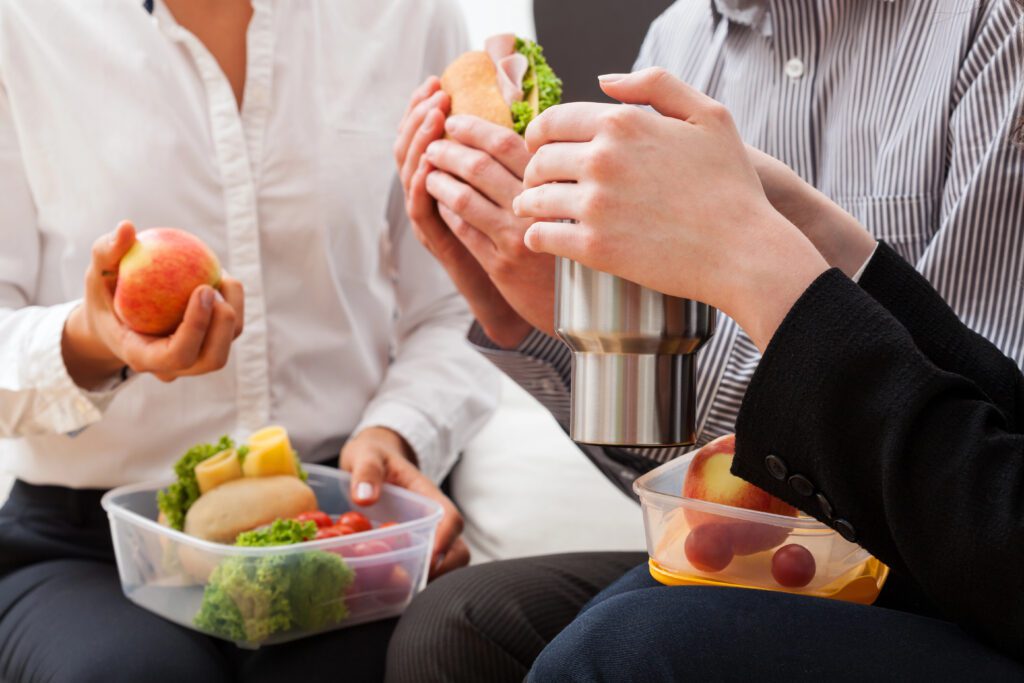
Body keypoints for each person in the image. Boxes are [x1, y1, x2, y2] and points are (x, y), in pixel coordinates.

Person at [386, 1, 1024, 680]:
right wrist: (533, 316)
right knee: (456, 627)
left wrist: (754, 269)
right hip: (791, 548)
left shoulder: (989, 25)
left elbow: (965, 471)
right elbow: (674, 474)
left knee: (623, 646)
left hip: (932, 569)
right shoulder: (679, 39)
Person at [0, 1, 497, 682]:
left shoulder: (406, 13)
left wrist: (396, 433)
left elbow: (457, 303)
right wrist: (93, 340)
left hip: (331, 522)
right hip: (93, 546)